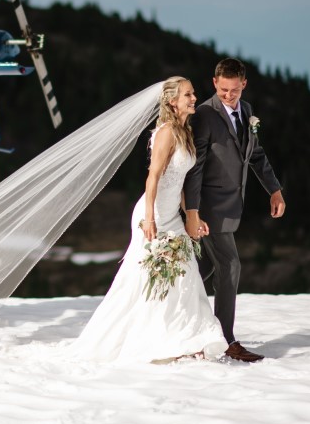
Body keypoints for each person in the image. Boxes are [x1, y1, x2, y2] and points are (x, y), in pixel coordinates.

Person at [70, 76, 227, 363]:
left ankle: (186, 336)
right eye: (188, 95)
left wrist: (193, 214)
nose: (194, 98)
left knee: (185, 272)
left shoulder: (184, 131)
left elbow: (178, 181)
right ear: (172, 101)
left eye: (193, 93)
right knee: (145, 277)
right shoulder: (166, 132)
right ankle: (139, 339)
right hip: (152, 214)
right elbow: (153, 177)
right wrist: (149, 218)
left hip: (172, 214)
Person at [184, 58, 285, 363]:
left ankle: (181, 328)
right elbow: (195, 168)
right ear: (215, 83)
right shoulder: (203, 115)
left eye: (234, 90)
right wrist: (192, 210)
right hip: (208, 208)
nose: (228, 95)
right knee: (229, 266)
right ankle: (225, 341)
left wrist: (274, 189)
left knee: (202, 271)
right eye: (223, 89)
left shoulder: (248, 110)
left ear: (244, 84)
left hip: (231, 205)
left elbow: (254, 154)